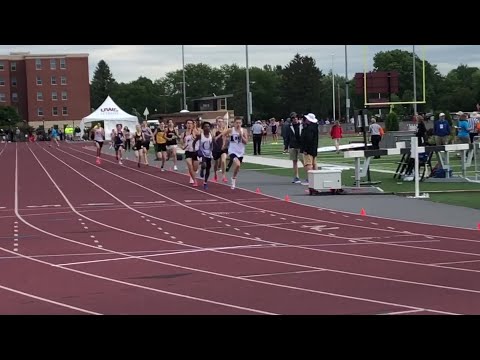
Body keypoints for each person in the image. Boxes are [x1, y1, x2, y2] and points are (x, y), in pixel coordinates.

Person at [222, 117, 248, 190]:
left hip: (241, 151)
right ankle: (233, 180)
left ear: (242, 123)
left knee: (238, 167)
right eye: (237, 123)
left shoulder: (244, 130)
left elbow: (246, 142)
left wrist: (241, 136)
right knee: (237, 164)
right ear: (234, 123)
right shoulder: (231, 130)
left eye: (239, 123)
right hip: (232, 150)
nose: (238, 124)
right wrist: (225, 142)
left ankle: (233, 177)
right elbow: (223, 135)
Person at [283, 114, 304, 184]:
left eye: (296, 118)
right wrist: (286, 146)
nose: (295, 120)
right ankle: (296, 177)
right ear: (291, 120)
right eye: (293, 119)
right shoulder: (289, 127)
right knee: (294, 162)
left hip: (301, 145)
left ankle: (308, 177)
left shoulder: (302, 125)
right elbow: (286, 137)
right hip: (292, 145)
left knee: (304, 161)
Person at [300, 113, 319, 185]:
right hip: (313, 148)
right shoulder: (315, 127)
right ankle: (316, 178)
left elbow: (308, 139)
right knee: (314, 164)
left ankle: (310, 179)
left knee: (308, 164)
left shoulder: (309, 128)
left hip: (309, 149)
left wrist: (305, 149)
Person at [194, 122, 214, 190]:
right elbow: (194, 142)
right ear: (203, 128)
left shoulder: (211, 135)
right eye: (205, 126)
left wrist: (212, 149)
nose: (207, 128)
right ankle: (202, 169)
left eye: (208, 126)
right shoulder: (200, 135)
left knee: (208, 168)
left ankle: (205, 182)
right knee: (204, 165)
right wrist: (195, 150)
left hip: (209, 153)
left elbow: (212, 143)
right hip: (201, 152)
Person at [182, 119, 200, 187]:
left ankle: (192, 175)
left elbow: (200, 136)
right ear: (186, 124)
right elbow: (182, 144)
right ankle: (195, 180)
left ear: (193, 124)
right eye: (188, 123)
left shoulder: (195, 131)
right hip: (188, 152)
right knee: (189, 165)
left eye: (191, 123)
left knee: (195, 168)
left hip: (195, 151)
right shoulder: (183, 134)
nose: (189, 125)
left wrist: (195, 135)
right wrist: (183, 147)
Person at [212, 117, 228, 183]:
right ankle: (215, 174)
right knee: (216, 163)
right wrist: (220, 134)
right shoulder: (214, 130)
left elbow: (227, 138)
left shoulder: (226, 130)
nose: (220, 123)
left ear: (223, 122)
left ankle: (224, 176)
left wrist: (224, 145)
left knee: (223, 161)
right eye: (218, 121)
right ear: (216, 122)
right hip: (216, 148)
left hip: (223, 148)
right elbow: (213, 139)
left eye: (221, 121)